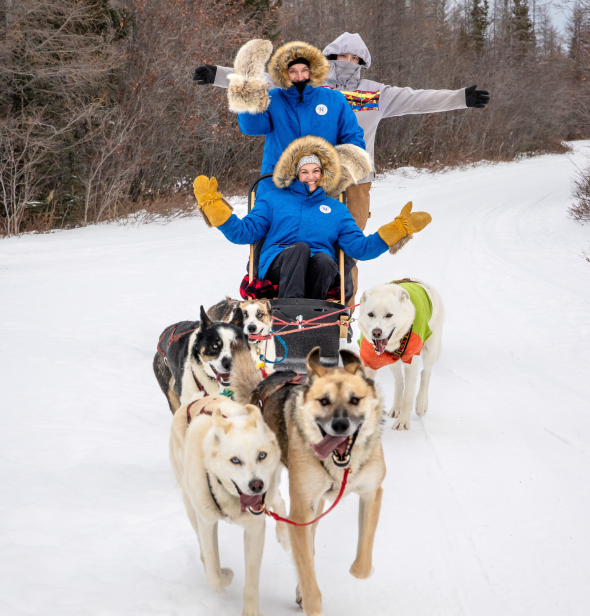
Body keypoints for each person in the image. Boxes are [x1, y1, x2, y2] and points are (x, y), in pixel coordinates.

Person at [192, 33, 490, 300]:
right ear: (326, 59)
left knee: (344, 246)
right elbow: (253, 83)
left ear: (363, 62)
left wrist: (460, 98)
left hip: (347, 180)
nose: (347, 62)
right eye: (339, 56)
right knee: (275, 237)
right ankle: (273, 299)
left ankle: (338, 308)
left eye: (354, 58)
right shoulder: (298, 82)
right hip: (281, 179)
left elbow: (417, 99)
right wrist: (216, 74)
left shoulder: (373, 93)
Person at [192, 136, 432, 300]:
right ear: (295, 174)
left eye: (315, 171)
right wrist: (214, 208)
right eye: (304, 171)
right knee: (299, 249)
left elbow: (360, 248)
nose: (310, 176)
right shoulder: (273, 200)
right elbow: (243, 233)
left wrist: (397, 230)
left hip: (318, 271)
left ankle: (315, 314)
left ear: (323, 174)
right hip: (278, 265)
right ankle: (289, 312)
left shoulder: (336, 209)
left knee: (327, 260)